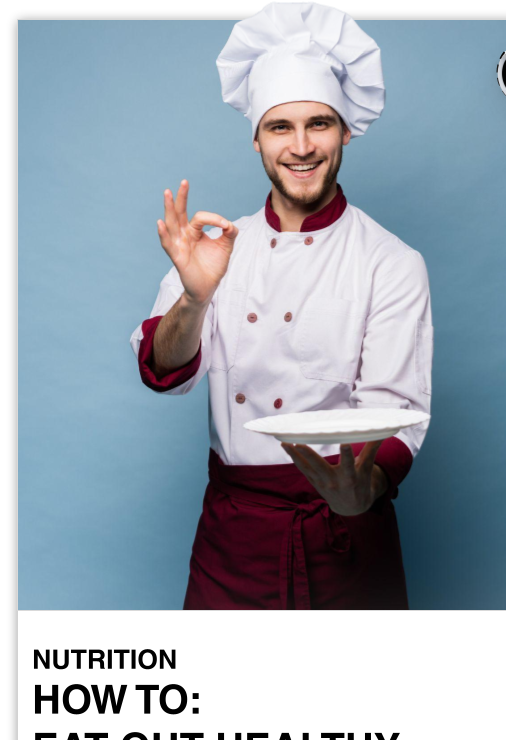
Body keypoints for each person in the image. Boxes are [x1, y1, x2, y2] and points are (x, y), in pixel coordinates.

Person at [130, 3, 433, 610]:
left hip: (347, 529)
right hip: (233, 536)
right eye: (280, 127)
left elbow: (399, 409)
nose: (301, 146)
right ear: (256, 139)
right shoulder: (216, 252)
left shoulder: (391, 262)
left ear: (345, 129)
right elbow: (162, 374)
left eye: (318, 123)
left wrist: (359, 491)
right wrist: (195, 295)